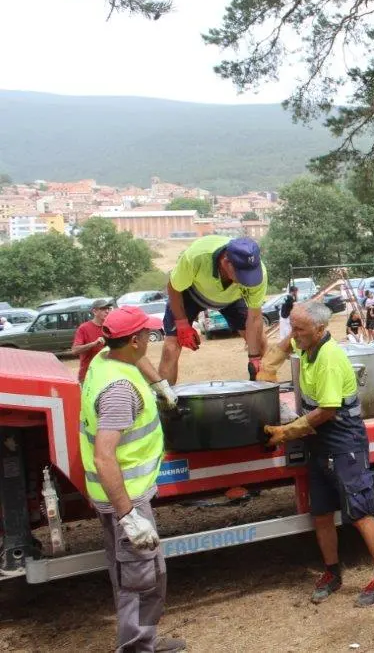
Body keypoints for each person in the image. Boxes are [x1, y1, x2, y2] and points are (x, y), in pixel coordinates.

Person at [259, 302, 374, 606]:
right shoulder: (307, 344)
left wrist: (286, 432)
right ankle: (332, 572)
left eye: (299, 329)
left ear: (320, 330)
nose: (293, 335)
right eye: (292, 327)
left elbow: (327, 411)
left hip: (343, 441)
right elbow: (281, 350)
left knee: (360, 512)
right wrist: (268, 364)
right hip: (319, 442)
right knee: (321, 513)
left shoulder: (329, 358)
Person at [78, 306, 185, 653]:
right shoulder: (120, 391)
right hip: (127, 499)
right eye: (147, 334)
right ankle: (138, 648)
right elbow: (104, 455)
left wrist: (158, 383)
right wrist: (128, 517)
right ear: (137, 340)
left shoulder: (106, 359)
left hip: (119, 494)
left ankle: (143, 640)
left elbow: (136, 361)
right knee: (141, 580)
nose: (150, 338)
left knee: (134, 575)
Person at [159, 235, 267, 385]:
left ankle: (261, 394)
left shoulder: (257, 272)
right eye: (242, 275)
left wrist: (254, 357)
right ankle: (165, 400)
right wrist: (182, 324)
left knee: (260, 344)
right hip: (191, 292)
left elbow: (255, 318)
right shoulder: (196, 257)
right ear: (225, 262)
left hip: (232, 298)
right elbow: (173, 287)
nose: (248, 280)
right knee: (171, 347)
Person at [71, 298, 114, 383]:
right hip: (89, 376)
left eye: (108, 308)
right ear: (94, 312)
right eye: (103, 309)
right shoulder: (84, 328)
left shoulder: (111, 327)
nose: (107, 311)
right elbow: (74, 350)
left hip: (108, 375)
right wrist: (94, 344)